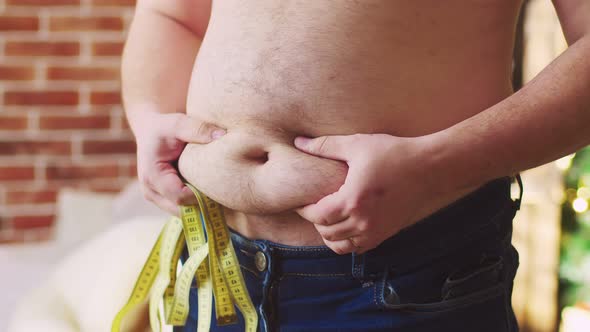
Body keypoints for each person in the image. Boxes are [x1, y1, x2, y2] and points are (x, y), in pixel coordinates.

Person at [122, 0, 590, 331]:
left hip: (406, 278)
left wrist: (434, 168)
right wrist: (149, 118)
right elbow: (170, 13)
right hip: (215, 266)